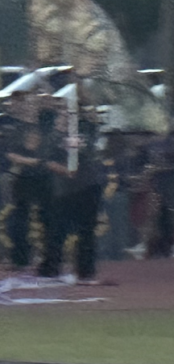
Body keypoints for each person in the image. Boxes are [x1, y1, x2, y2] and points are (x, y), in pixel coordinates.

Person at [37, 95, 105, 283]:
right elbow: (45, 159)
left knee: (87, 232)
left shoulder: (86, 131)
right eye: (62, 112)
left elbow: (91, 153)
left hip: (87, 187)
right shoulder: (51, 135)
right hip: (63, 190)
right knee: (56, 231)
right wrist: (64, 170)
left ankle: (86, 270)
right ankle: (51, 267)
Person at [0, 87, 51, 270]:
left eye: (34, 104)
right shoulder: (16, 129)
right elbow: (11, 154)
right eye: (28, 103)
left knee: (47, 218)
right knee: (20, 218)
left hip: (45, 177)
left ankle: (48, 256)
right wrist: (33, 161)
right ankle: (20, 257)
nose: (31, 107)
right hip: (24, 177)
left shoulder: (46, 126)